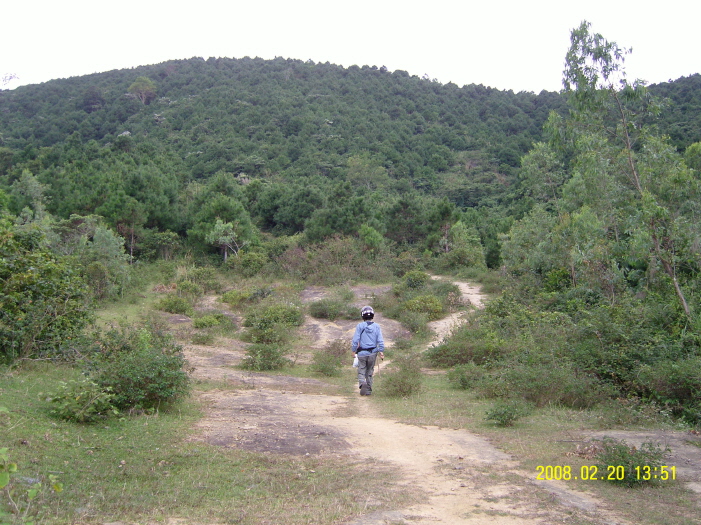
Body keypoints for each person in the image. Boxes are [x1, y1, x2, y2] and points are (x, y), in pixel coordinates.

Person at [351, 305, 384, 395]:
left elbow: (355, 340)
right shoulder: (377, 326)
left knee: (361, 369)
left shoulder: (359, 326)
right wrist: (381, 351)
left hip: (361, 353)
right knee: (370, 371)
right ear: (372, 315)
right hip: (373, 353)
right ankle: (368, 390)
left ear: (362, 316)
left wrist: (353, 351)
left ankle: (362, 382)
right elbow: (380, 340)